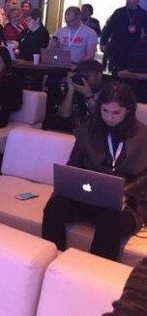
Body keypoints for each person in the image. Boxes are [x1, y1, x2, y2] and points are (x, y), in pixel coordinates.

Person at [42, 81, 147, 261]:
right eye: (104, 111)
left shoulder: (142, 136)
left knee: (110, 221)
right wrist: (71, 187)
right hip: (90, 197)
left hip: (128, 202)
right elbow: (73, 164)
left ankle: (94, 271)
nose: (109, 117)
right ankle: (52, 261)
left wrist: (125, 193)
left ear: (128, 110)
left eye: (116, 113)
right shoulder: (88, 129)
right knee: (55, 207)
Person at [101, 0, 147, 74]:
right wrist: (103, 43)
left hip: (134, 48)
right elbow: (108, 28)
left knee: (131, 72)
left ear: (138, 1)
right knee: (116, 72)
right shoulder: (119, 12)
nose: (129, 0)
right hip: (117, 47)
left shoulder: (143, 14)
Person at [53, 59, 104, 131]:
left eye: (86, 77)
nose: (84, 80)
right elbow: (63, 116)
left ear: (99, 76)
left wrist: (88, 95)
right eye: (81, 77)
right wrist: (71, 89)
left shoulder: (107, 93)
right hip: (74, 132)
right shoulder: (78, 90)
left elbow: (102, 118)